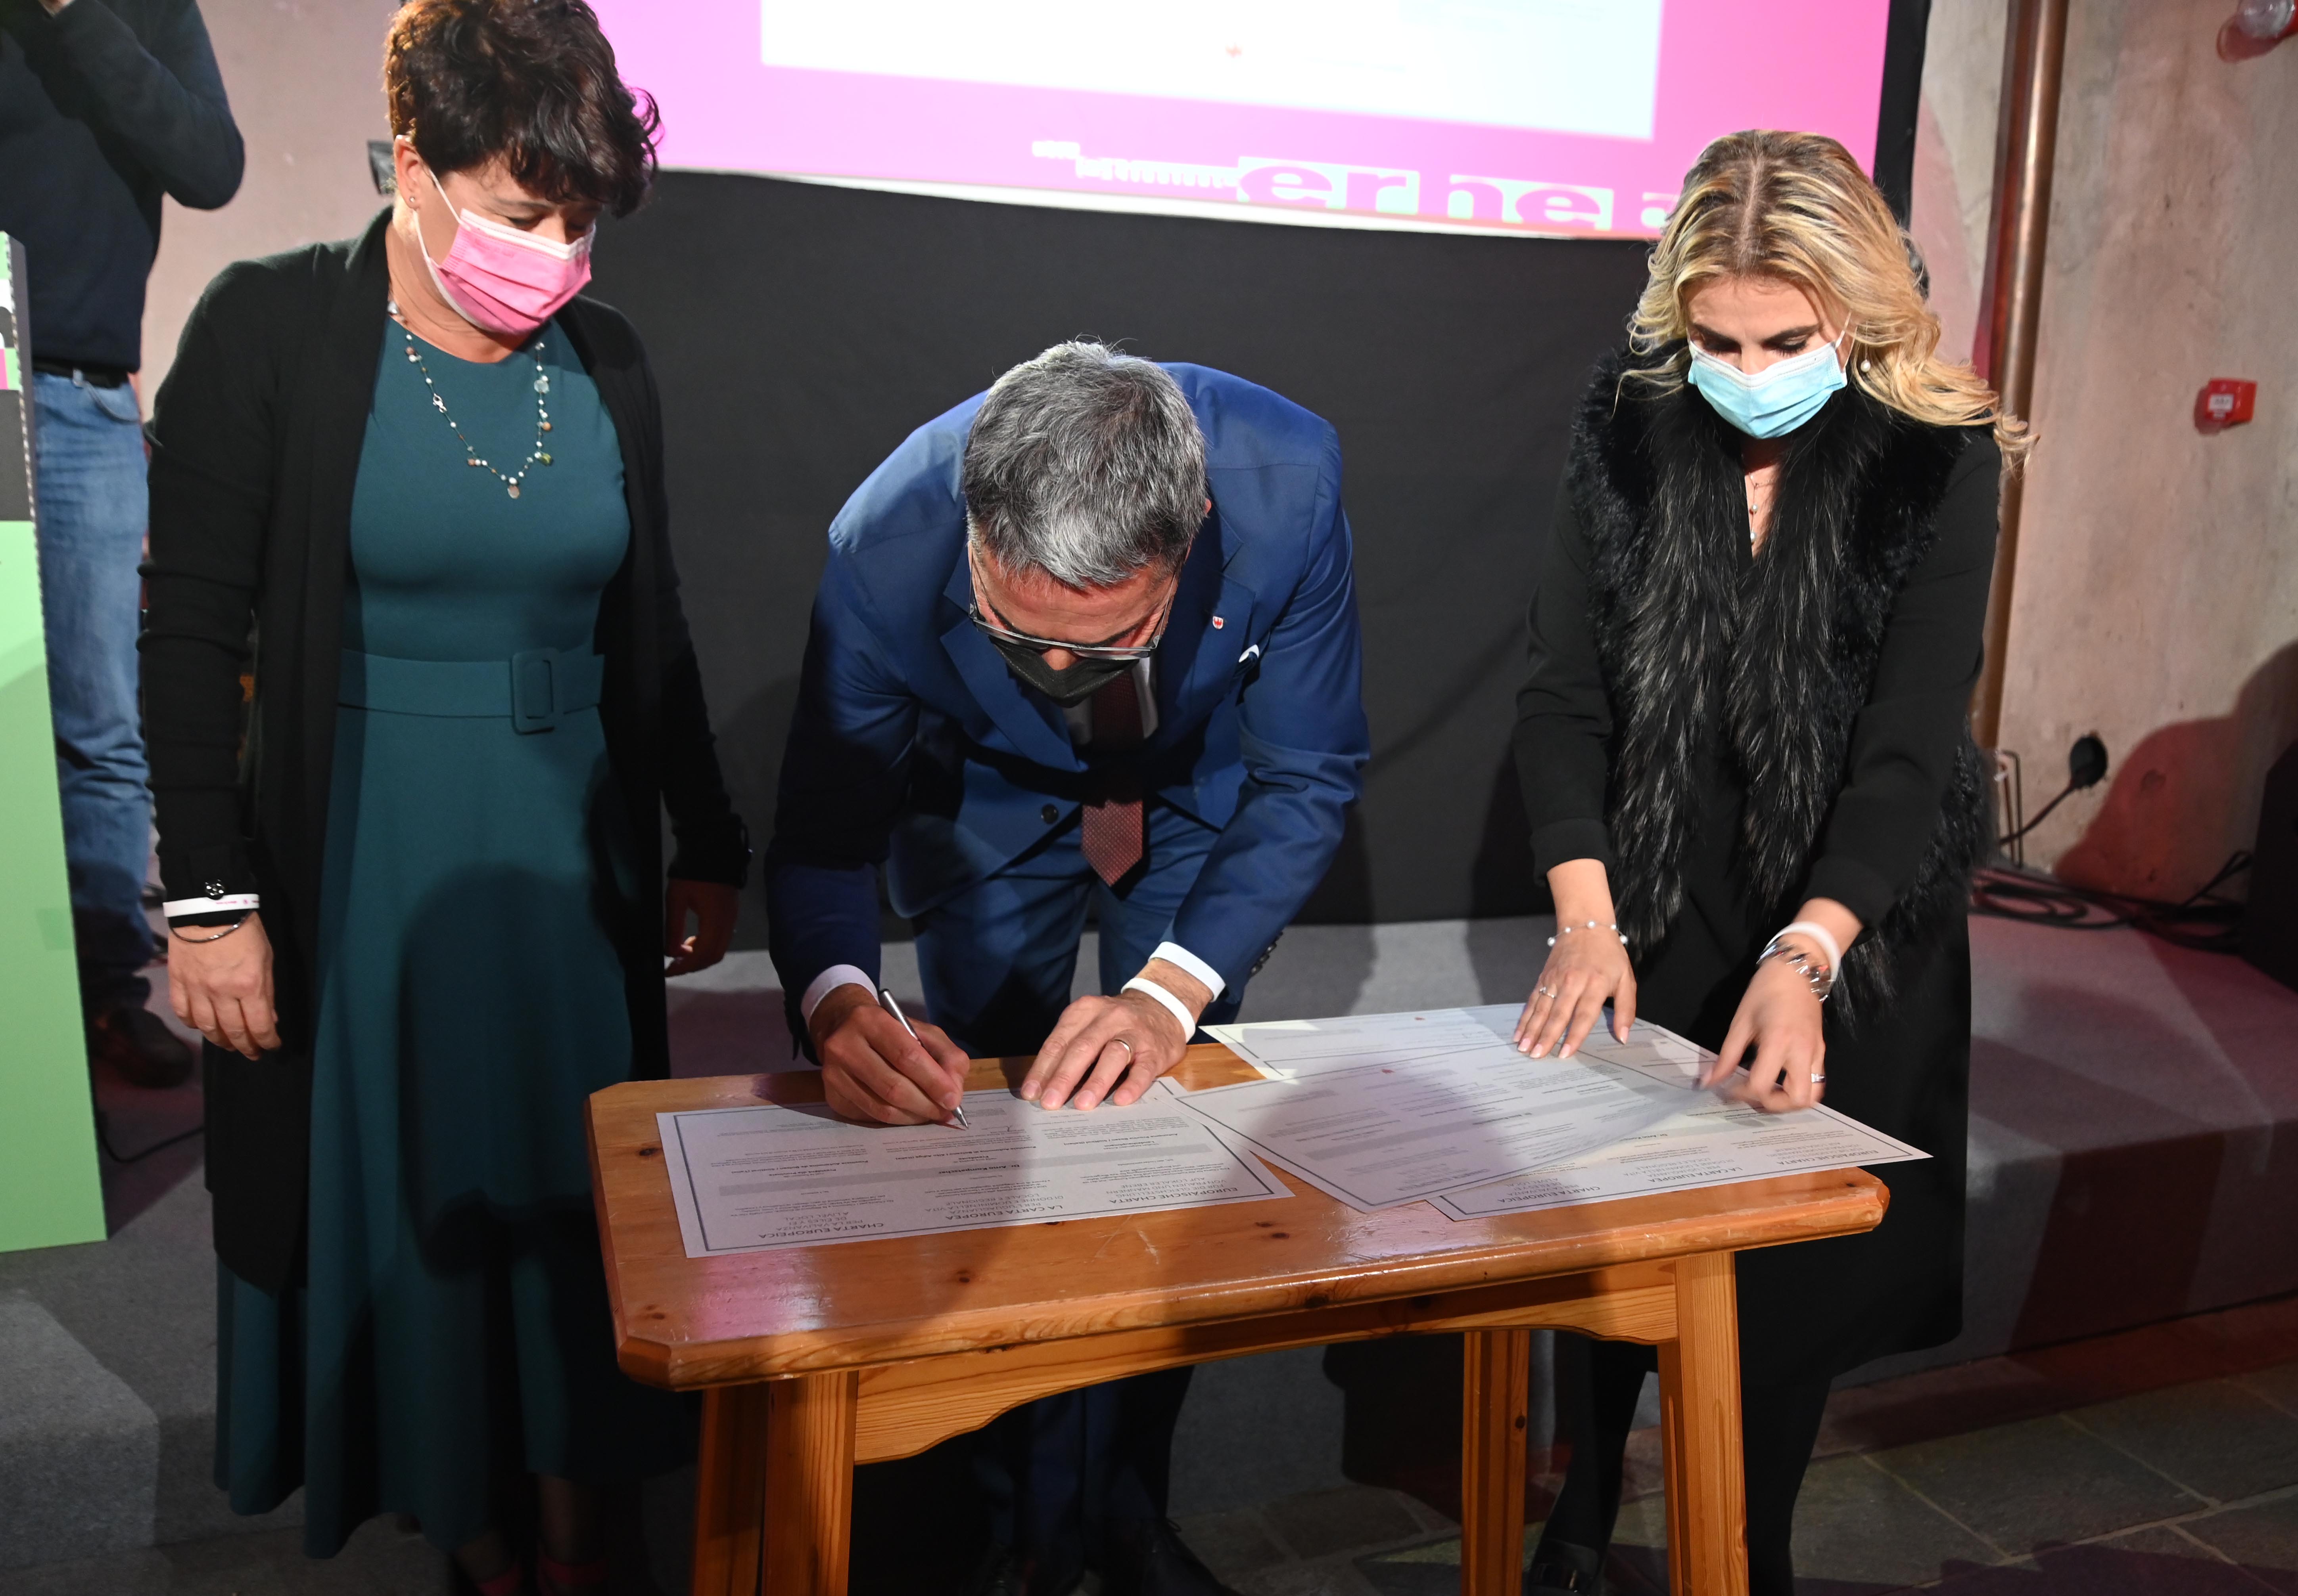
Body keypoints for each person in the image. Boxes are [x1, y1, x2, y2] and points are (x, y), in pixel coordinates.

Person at [140, 2, 748, 1588]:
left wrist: (708, 834)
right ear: (412, 160)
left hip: (568, 869)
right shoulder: (272, 328)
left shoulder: (607, 363)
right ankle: (468, 1519)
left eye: (583, 221)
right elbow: (192, 626)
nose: (556, 252)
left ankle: (577, 1501)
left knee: (570, 1201)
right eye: (524, 211)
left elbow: (655, 618)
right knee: (406, 1196)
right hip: (367, 853)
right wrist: (209, 901)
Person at [1507, 129, 2024, 1596]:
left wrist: (1809, 954)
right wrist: (1586, 918)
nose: (1749, 368)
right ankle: (1582, 1503)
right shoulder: (1627, 420)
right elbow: (1562, 697)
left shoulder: (1940, 456)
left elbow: (1909, 754)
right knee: (1619, 1229)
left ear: (1857, 313)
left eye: (1786, 339)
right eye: (1719, 338)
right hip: (1659, 884)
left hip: (1848, 908)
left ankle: (1749, 1547)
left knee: (1787, 1280)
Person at [767, 340, 1370, 1596]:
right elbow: (825, 839)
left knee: (1159, 1154)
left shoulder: (1287, 479)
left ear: (1195, 529)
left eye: (1101, 646)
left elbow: (1306, 773)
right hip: (986, 804)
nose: (1056, 679)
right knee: (988, 1146)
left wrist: (1169, 991)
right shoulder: (886, 542)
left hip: (1195, 798)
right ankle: (1011, 1524)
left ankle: (1127, 1511)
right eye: (1015, 634)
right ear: (974, 532)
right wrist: (836, 1005)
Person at [0, 0, 242, 1086]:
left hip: (88, 404)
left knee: (96, 721)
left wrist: (77, 19)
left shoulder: (144, 14)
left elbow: (211, 164)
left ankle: (101, 991)